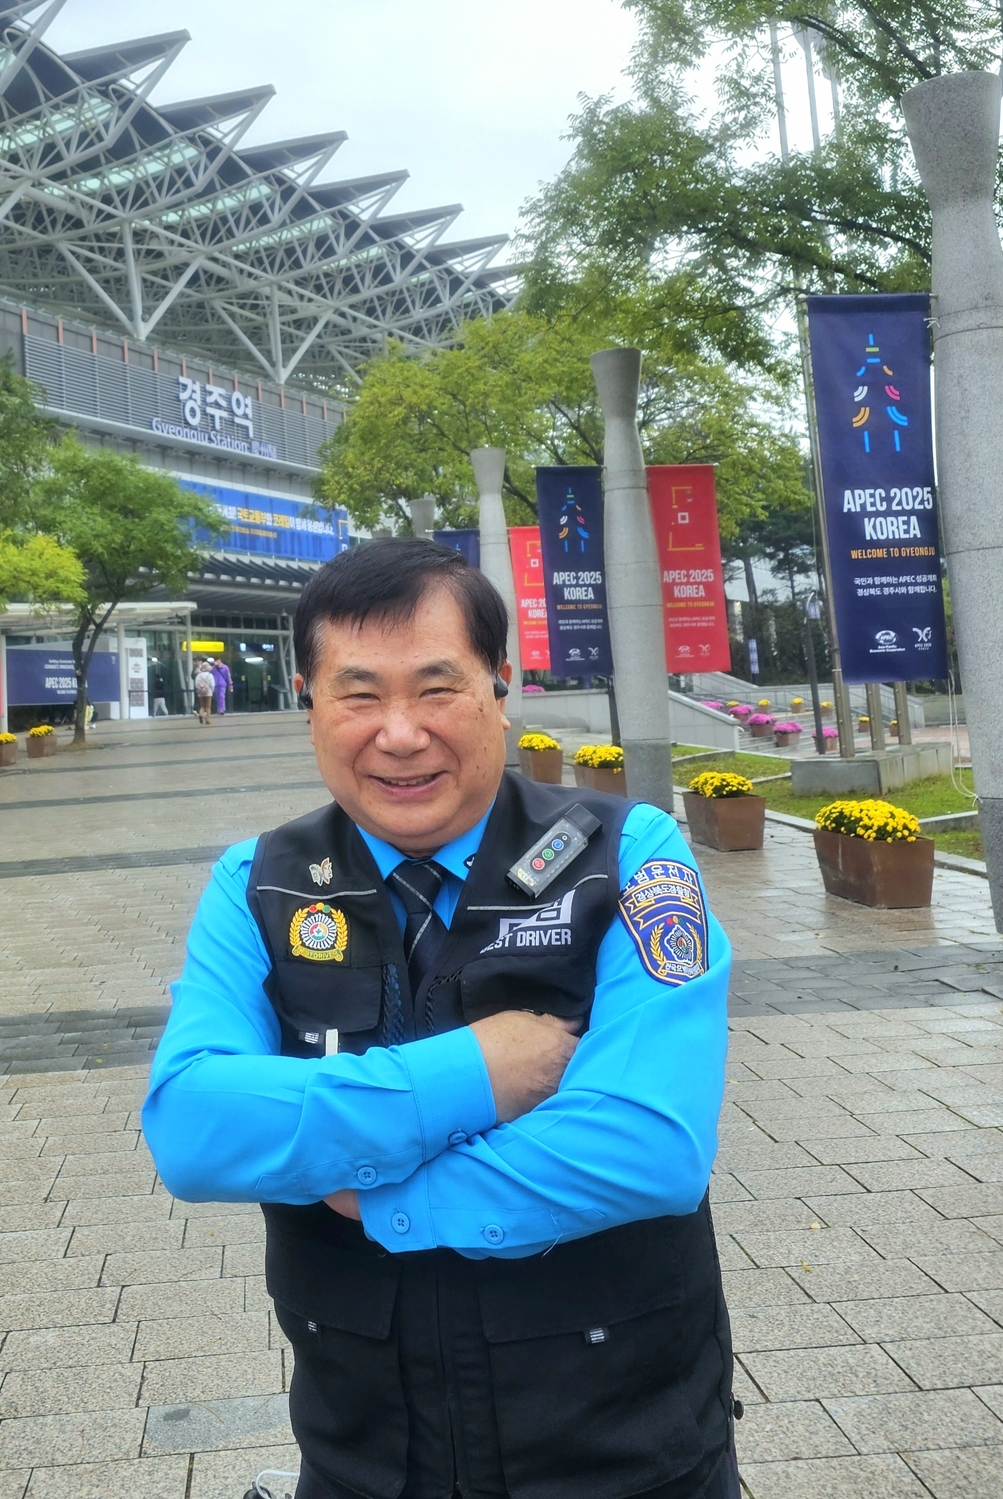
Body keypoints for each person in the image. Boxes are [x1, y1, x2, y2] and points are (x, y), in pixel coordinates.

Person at [144, 540, 738, 1499]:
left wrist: (369, 1191)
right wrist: (476, 1072)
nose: (401, 733)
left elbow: (650, 1145)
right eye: (359, 694)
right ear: (310, 702)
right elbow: (194, 1128)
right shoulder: (255, 884)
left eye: (437, 688)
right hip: (364, 1457)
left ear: (500, 691)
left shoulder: (627, 854)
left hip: (627, 1455)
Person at [193, 659, 216, 725]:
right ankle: (207, 719)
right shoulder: (210, 675)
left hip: (200, 693)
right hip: (208, 693)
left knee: (202, 706)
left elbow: (196, 684)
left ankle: (201, 714)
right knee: (208, 707)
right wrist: (211, 690)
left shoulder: (198, 676)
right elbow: (212, 684)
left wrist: (199, 690)